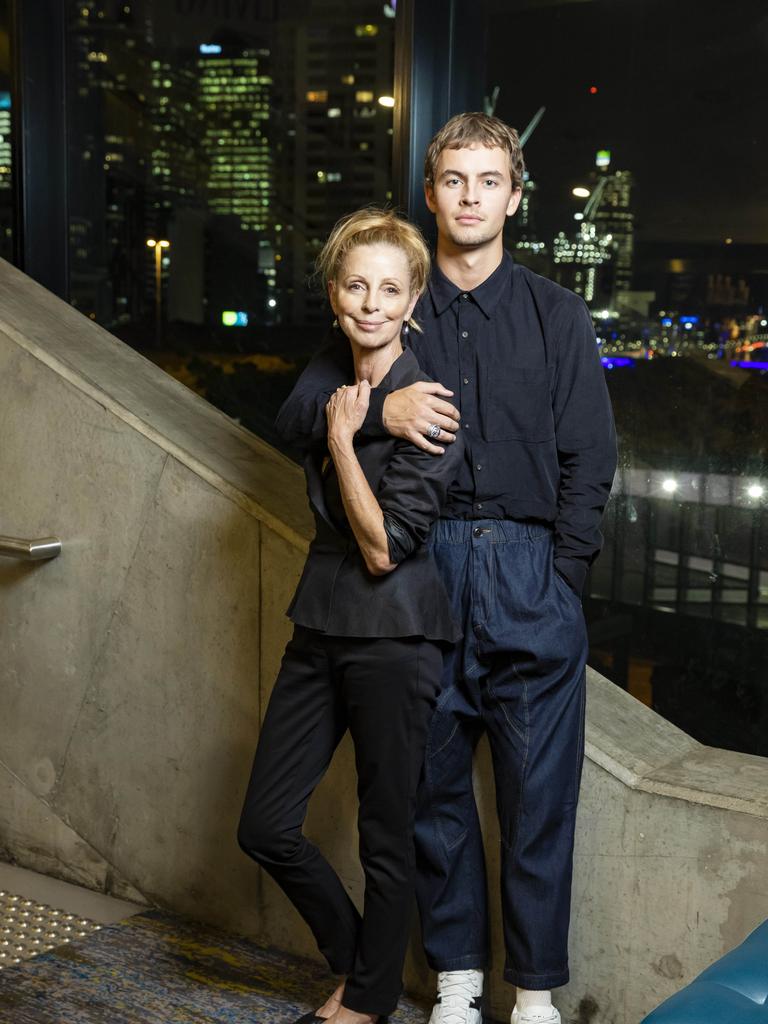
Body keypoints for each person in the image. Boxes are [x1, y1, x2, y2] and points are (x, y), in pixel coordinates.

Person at [274, 113, 618, 1024]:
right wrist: (380, 415)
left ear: (514, 195)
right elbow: (303, 409)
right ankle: (457, 979)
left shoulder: (556, 313)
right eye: (453, 181)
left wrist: (561, 581)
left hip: (527, 571)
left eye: (488, 180)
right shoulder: (391, 305)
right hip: (416, 574)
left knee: (537, 796)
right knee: (429, 789)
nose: (470, 197)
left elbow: (590, 456)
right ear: (431, 195)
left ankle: (534, 991)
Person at [237, 208, 465, 1024]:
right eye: (356, 284)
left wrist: (344, 441)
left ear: (412, 303)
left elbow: (381, 549)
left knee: (385, 834)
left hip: (396, 634)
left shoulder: (433, 405)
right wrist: (368, 414)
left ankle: (366, 1002)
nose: (371, 302)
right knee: (264, 825)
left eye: (389, 289)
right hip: (320, 623)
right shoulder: (329, 370)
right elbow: (289, 419)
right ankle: (361, 962)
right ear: (336, 293)